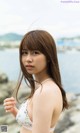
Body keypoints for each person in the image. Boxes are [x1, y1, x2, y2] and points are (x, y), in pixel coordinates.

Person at [4, 30, 68, 133]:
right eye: (24, 53)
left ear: (48, 56)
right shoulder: (43, 86)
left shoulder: (45, 92)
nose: (28, 59)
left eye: (35, 53)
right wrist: (15, 111)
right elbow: (33, 125)